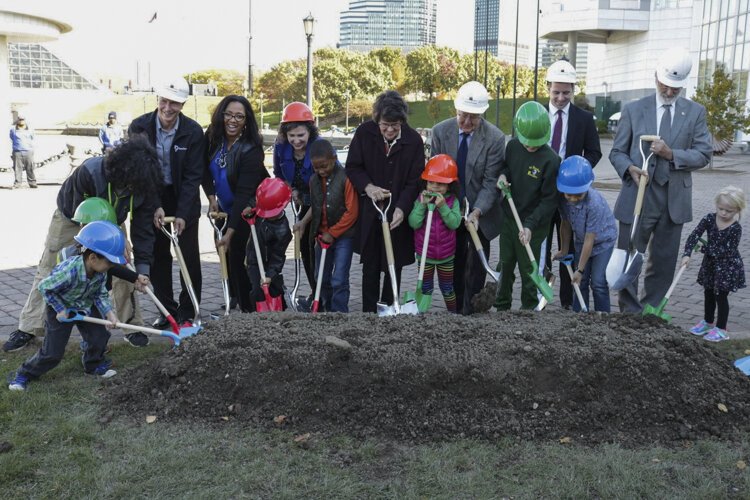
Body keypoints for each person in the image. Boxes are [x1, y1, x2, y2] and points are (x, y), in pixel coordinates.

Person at [3, 138, 162, 352]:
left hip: (113, 219)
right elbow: (88, 221)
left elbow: (143, 232)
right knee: (49, 268)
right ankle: (29, 327)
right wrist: (103, 242)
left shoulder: (145, 184)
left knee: (123, 264)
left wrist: (142, 272)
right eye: (129, 183)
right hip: (74, 216)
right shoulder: (90, 172)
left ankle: (132, 327)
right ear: (122, 171)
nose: (132, 188)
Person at [609, 47, 712, 313]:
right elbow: (617, 151)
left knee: (664, 261)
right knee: (631, 253)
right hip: (638, 196)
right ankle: (630, 314)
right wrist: (630, 168)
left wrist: (671, 154)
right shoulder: (633, 110)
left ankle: (651, 311)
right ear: (656, 77)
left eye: (674, 90)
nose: (668, 93)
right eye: (665, 86)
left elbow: (703, 154)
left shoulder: (695, 112)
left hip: (673, 199)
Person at [8, 221, 127, 391]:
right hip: (60, 307)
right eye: (109, 262)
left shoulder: (100, 272)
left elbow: (99, 294)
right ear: (93, 258)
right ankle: (24, 374)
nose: (111, 266)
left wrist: (109, 314)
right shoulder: (69, 271)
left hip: (84, 303)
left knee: (99, 336)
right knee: (53, 353)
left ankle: (92, 365)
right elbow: (45, 287)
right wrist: (60, 309)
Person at [128, 77, 206, 327]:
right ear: (157, 100)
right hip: (152, 194)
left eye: (175, 103)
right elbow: (140, 171)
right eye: (164, 101)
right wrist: (154, 205)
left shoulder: (193, 131)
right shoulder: (139, 128)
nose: (168, 108)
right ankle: (167, 311)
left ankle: (189, 310)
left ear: (183, 104)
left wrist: (182, 213)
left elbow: (194, 175)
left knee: (188, 257)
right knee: (159, 256)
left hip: (183, 196)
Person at [346, 90, 424, 313]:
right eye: (385, 124)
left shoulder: (414, 141)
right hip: (371, 212)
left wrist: (401, 208)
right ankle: (369, 312)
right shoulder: (364, 133)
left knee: (394, 265)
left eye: (395, 125)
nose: (390, 130)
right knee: (369, 266)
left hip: (397, 211)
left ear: (402, 121)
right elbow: (353, 166)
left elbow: (414, 181)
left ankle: (389, 306)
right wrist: (368, 187)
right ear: (377, 120)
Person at [430, 81, 505, 314]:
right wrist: (446, 206)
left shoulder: (494, 138)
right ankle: (455, 310)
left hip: (481, 210)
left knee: (476, 268)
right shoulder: (441, 132)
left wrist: (477, 211)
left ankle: (472, 310)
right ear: (456, 110)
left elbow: (491, 181)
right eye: (463, 116)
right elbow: (436, 174)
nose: (467, 122)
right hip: (450, 207)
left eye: (474, 117)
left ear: (482, 114)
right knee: (454, 262)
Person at [542, 60, 602, 309]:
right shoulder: (536, 112)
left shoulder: (584, 118)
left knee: (570, 247)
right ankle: (540, 294)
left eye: (566, 93)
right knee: (541, 246)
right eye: (556, 92)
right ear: (548, 88)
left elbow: (595, 152)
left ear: (573, 90)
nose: (560, 98)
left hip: (572, 196)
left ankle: (567, 301)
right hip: (542, 192)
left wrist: (576, 173)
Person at [203, 95, 269, 313]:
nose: (233, 120)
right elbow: (202, 168)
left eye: (239, 116)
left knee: (239, 256)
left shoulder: (251, 150)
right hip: (223, 206)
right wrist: (211, 198)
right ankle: (234, 299)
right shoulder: (213, 138)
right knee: (226, 256)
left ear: (246, 120)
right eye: (229, 114)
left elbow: (243, 193)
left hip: (247, 209)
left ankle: (249, 310)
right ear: (222, 114)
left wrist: (230, 232)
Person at [495, 101, 560, 311]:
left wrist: (530, 225)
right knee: (505, 264)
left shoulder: (551, 160)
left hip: (535, 224)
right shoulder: (513, 146)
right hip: (509, 219)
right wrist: (503, 176)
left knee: (528, 269)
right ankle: (501, 305)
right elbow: (506, 167)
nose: (530, 146)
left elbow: (549, 200)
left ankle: (528, 310)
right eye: (526, 142)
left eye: (535, 143)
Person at [295, 140, 359, 312]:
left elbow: (352, 212)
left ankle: (339, 313)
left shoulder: (346, 178)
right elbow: (316, 207)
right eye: (316, 168)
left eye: (324, 166)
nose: (321, 171)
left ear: (334, 158)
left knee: (339, 278)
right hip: (322, 236)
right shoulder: (313, 180)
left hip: (343, 237)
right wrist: (303, 222)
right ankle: (325, 308)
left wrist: (333, 232)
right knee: (320, 277)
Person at [552, 156, 617, 313]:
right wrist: (564, 250)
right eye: (569, 195)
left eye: (578, 195)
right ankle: (580, 317)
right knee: (579, 283)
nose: (573, 199)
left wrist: (580, 270)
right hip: (581, 241)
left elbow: (590, 239)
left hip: (602, 243)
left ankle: (603, 317)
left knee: (598, 281)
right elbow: (565, 225)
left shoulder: (594, 203)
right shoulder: (562, 199)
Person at [683, 186, 746, 342]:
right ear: (716, 205)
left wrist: (703, 248)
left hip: (727, 266)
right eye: (721, 208)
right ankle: (707, 322)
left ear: (737, 210)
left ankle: (721, 328)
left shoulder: (735, 228)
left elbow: (726, 250)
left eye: (729, 211)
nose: (724, 213)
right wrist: (687, 254)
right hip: (711, 264)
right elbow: (694, 235)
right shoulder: (709, 219)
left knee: (721, 296)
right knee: (708, 292)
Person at [273, 102, 321, 302]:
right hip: (301, 202)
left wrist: (303, 221)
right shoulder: (281, 147)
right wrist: (290, 189)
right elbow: (278, 174)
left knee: (315, 247)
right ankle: (314, 292)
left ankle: (322, 293)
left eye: (300, 135)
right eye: (291, 136)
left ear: (310, 131)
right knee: (304, 249)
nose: (296, 140)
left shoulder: (320, 148)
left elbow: (324, 192)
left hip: (323, 203)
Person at [407, 154, 462, 313]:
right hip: (425, 256)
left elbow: (454, 223)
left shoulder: (452, 201)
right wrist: (422, 206)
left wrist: (443, 207)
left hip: (446, 256)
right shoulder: (421, 199)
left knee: (447, 288)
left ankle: (453, 314)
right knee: (425, 287)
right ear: (425, 182)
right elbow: (414, 223)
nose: (435, 187)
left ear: (449, 185)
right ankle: (423, 313)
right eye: (431, 182)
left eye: (440, 184)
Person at [243, 178, 293, 309]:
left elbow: (278, 256)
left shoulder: (283, 231)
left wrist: (270, 275)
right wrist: (250, 208)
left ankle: (280, 311)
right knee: (257, 289)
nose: (264, 215)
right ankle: (258, 313)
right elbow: (255, 202)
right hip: (254, 259)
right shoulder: (263, 207)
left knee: (274, 288)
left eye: (268, 213)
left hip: (270, 264)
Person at [10, 115, 36, 189]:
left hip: (28, 151)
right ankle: (17, 183)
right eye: (20, 119)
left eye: (22, 119)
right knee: (17, 168)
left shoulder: (30, 129)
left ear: (25, 120)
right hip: (17, 152)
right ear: (17, 120)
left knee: (30, 167)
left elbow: (32, 137)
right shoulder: (13, 130)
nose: (21, 121)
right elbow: (11, 137)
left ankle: (32, 183)